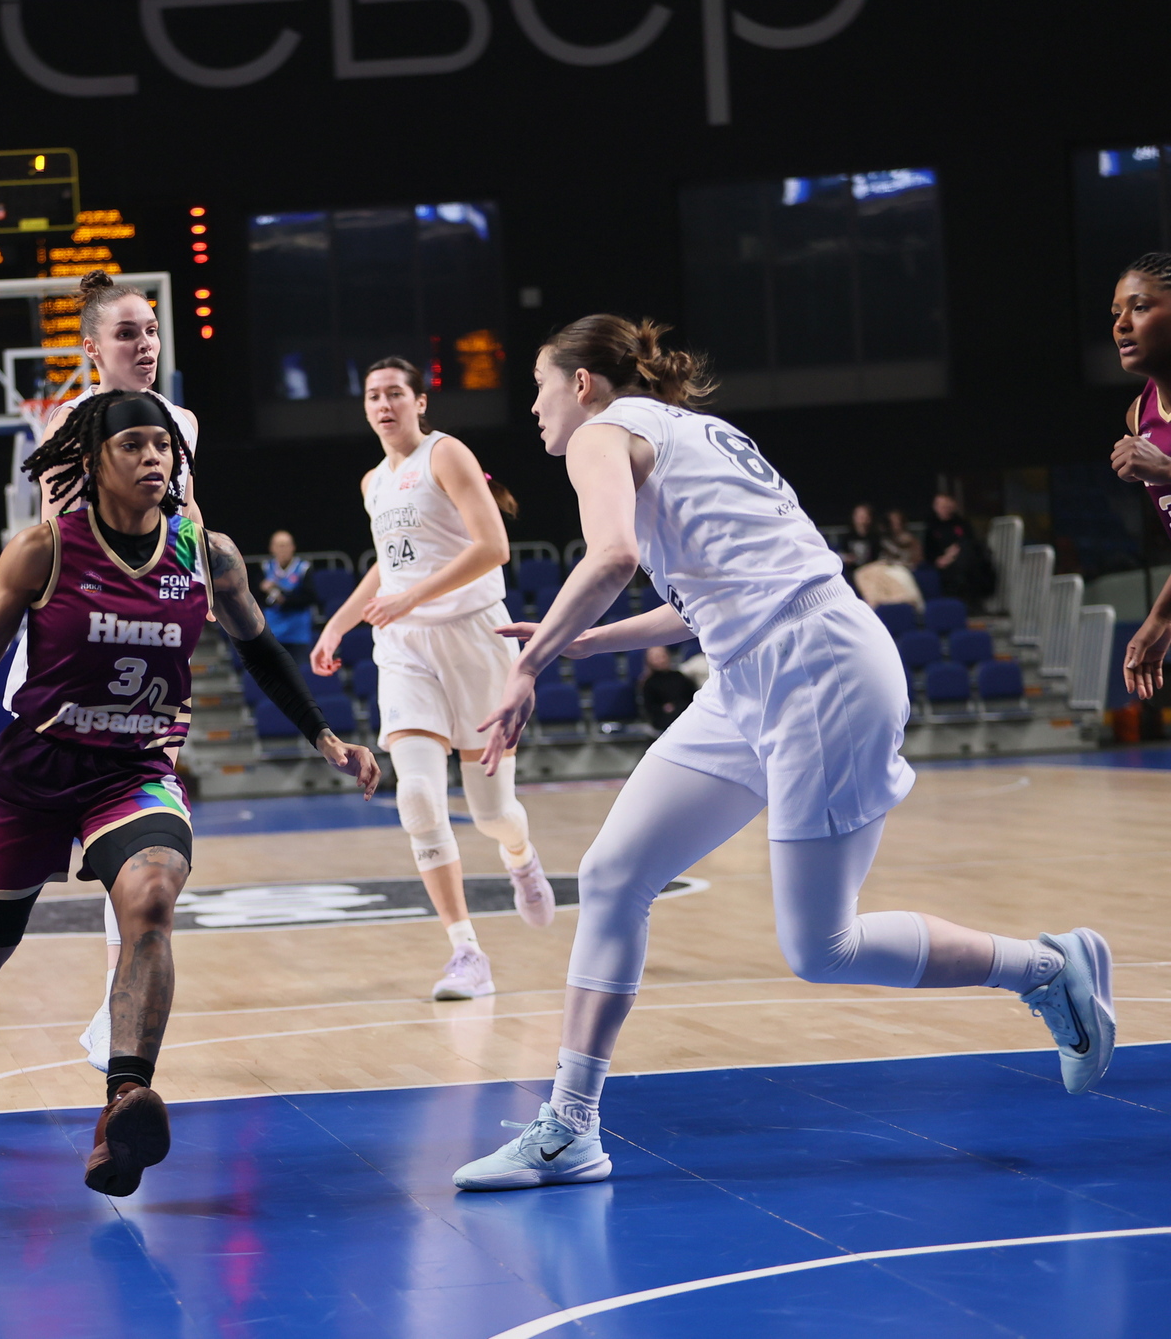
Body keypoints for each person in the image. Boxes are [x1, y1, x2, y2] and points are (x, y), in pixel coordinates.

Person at [451, 314, 1115, 1194]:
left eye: (539, 387)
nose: (534, 409)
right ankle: (570, 1125)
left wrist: (529, 665)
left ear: (582, 383)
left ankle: (1047, 967)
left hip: (817, 669)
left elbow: (610, 556)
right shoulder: (692, 432)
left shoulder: (602, 434)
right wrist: (588, 640)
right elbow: (703, 596)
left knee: (821, 946)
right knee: (613, 873)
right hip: (752, 673)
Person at [0, 390, 377, 1197]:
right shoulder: (43, 551)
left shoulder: (207, 554)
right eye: (133, 444)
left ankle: (123, 1102)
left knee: (153, 897)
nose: (152, 457)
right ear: (95, 461)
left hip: (133, 773)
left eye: (162, 445)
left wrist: (325, 734)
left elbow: (261, 649)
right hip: (33, 779)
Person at [0, 271, 211, 1071]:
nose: (144, 343)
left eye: (151, 330)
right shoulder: (70, 423)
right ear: (92, 348)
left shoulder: (180, 423)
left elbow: (184, 523)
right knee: (31, 785)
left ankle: (114, 1016)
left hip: (142, 654)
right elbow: (65, 533)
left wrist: (193, 588)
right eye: (126, 333)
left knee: (139, 862)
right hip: (70, 646)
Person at [309, 356, 555, 1002]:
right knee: (416, 796)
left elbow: (493, 546)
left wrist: (411, 596)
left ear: (420, 402)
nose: (383, 404)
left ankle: (520, 855)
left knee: (492, 813)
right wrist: (339, 623)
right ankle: (466, 951)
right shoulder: (373, 481)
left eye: (395, 393)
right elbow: (388, 568)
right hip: (405, 646)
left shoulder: (446, 454)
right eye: (373, 395)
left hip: (474, 636)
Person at [1107, 253, 1171, 691]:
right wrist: (1161, 618)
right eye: (1116, 313)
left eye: (1141, 307)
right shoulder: (1140, 414)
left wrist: (1166, 467)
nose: (1122, 325)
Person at [259, 530, 322, 659]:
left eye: (286, 545)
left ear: (293, 547)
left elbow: (310, 597)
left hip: (298, 633)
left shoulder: (303, 568)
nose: (283, 549)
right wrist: (263, 589)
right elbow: (257, 598)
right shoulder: (265, 568)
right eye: (279, 545)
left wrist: (285, 600)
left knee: (298, 669)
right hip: (274, 632)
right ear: (272, 548)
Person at [924, 493, 991, 604]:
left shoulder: (961, 523)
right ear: (935, 507)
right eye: (941, 506)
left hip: (964, 560)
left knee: (970, 564)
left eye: (946, 505)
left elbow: (970, 542)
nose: (944, 508)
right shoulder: (931, 527)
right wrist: (941, 558)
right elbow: (929, 551)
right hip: (943, 563)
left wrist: (954, 553)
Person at [637, 645, 695, 730]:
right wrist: (664, 708)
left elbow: (691, 696)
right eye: (656, 657)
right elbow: (649, 708)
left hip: (685, 712)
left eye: (662, 656)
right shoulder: (649, 683)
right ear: (649, 660)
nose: (660, 660)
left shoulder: (679, 676)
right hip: (663, 718)